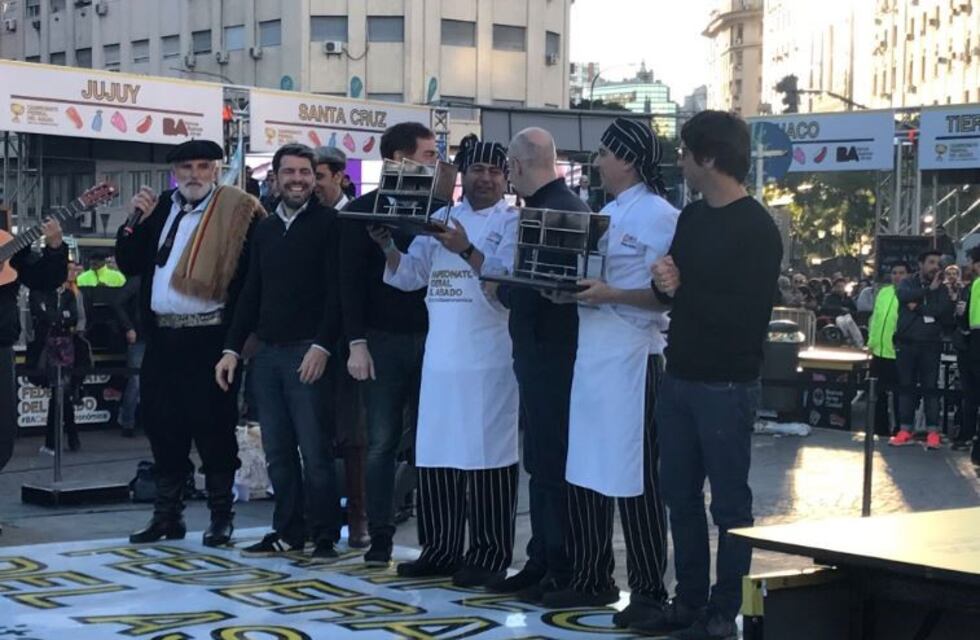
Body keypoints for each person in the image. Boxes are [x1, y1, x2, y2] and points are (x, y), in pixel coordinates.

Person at [646, 110, 782, 640]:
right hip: (679, 374)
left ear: (708, 157)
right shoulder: (692, 218)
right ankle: (688, 600)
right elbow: (672, 291)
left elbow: (747, 317)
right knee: (678, 495)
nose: (680, 161)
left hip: (727, 383)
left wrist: (683, 290)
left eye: (685, 152)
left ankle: (726, 611)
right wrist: (663, 282)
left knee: (729, 505)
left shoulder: (757, 229)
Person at [542, 119, 677, 626]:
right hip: (593, 354)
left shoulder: (660, 215)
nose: (597, 162)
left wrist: (611, 295)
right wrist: (568, 293)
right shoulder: (606, 213)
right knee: (585, 470)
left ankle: (648, 590)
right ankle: (591, 577)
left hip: (633, 359)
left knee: (637, 478)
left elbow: (667, 295)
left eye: (604, 153)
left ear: (629, 159)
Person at [376, 138, 520, 587]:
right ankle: (440, 549)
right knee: (437, 455)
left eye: (494, 171)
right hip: (440, 360)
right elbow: (410, 276)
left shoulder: (513, 222)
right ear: (462, 174)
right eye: (477, 169)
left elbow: (507, 286)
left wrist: (464, 248)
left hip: (489, 362)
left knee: (488, 459)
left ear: (507, 177)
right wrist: (387, 246)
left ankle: (489, 554)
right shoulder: (439, 217)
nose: (485, 178)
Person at [116, 139, 265, 548]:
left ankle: (221, 516)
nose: (194, 174)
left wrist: (238, 341)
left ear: (215, 170)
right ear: (174, 173)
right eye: (186, 167)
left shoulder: (236, 210)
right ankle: (168, 515)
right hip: (163, 336)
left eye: (203, 166)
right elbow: (129, 263)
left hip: (211, 336)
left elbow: (250, 280)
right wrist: (133, 220)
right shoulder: (163, 206)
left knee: (214, 428)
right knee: (163, 427)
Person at [215, 143, 344, 559]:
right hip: (268, 355)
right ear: (275, 177)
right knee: (277, 452)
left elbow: (339, 294)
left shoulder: (331, 224)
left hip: (309, 352)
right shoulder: (266, 229)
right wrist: (232, 348)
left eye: (305, 172)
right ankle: (288, 530)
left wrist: (323, 346)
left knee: (316, 451)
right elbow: (251, 292)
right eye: (290, 172)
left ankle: (324, 535)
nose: (298, 179)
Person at [484, 128, 592, 601]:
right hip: (543, 353)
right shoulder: (554, 208)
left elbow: (547, 287)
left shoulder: (556, 212)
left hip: (553, 355)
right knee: (543, 462)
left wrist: (502, 287)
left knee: (551, 462)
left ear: (517, 165)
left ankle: (558, 564)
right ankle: (543, 559)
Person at [338, 122, 438, 566]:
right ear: (400, 159)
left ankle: (437, 538)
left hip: (435, 339)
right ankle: (379, 535)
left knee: (430, 443)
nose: (436, 163)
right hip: (380, 340)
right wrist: (356, 342)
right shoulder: (362, 211)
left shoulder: (439, 211)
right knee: (380, 441)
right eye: (429, 154)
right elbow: (348, 284)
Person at [312, 145, 368, 548]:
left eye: (319, 176)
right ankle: (320, 518)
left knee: (354, 435)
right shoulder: (305, 219)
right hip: (311, 339)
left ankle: (359, 516)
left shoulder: (357, 218)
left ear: (340, 177)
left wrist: (356, 341)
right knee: (315, 432)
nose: (311, 184)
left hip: (350, 340)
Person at [0, 219, 67, 472]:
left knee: (3, 432)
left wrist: (55, 247)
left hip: (1, 342)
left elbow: (44, 280)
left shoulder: (6, 241)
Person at [890, 250, 954, 450]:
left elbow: (940, 310)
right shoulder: (908, 282)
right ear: (921, 264)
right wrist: (927, 291)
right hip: (907, 343)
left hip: (930, 345)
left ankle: (932, 432)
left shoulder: (942, 288)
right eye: (931, 262)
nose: (935, 266)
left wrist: (917, 307)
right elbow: (903, 295)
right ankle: (904, 430)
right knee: (906, 387)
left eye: (938, 263)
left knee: (930, 388)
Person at [29, 270, 85, 454]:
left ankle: (55, 442)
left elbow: (72, 316)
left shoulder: (69, 294)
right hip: (47, 348)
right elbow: (45, 314)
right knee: (61, 393)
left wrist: (58, 317)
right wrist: (60, 317)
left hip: (64, 348)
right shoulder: (38, 293)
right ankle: (70, 438)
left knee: (61, 392)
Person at [867, 263, 908, 437]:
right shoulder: (884, 293)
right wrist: (871, 344)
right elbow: (875, 320)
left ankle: (899, 429)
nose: (897, 276)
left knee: (899, 395)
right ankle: (880, 429)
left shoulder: (909, 294)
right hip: (878, 351)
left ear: (908, 275)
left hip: (897, 352)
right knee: (878, 393)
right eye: (894, 273)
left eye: (901, 273)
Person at [110, 274, 144, 438]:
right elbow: (117, 302)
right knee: (135, 381)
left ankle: (141, 421)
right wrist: (129, 327)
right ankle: (127, 421)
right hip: (140, 335)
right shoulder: (138, 280)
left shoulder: (145, 279)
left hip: (155, 335)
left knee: (148, 380)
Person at [956, 247, 980, 463]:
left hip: (974, 342)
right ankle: (969, 436)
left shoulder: (974, 286)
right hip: (970, 344)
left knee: (971, 394)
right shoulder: (970, 287)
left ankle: (970, 438)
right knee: (971, 394)